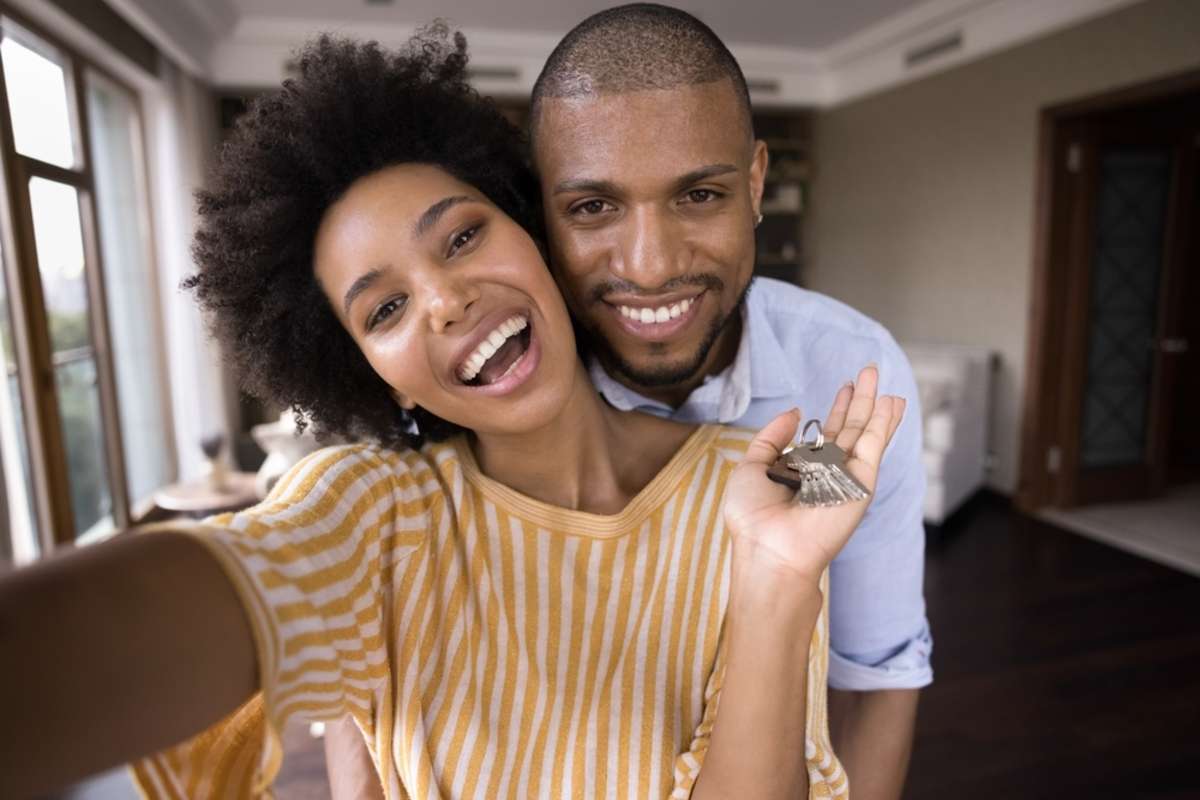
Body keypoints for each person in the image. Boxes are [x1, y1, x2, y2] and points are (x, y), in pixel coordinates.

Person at [0, 31, 906, 800]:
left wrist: (778, 578)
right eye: (384, 309)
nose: (442, 301)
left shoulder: (768, 478)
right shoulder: (370, 517)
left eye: (463, 236)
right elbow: (180, 609)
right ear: (375, 376)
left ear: (531, 238)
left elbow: (889, 668)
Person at [330, 5, 932, 799]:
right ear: (537, 211)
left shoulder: (839, 387)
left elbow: (878, 666)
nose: (650, 268)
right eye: (592, 208)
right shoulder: (498, 369)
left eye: (700, 196)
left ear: (755, 184)